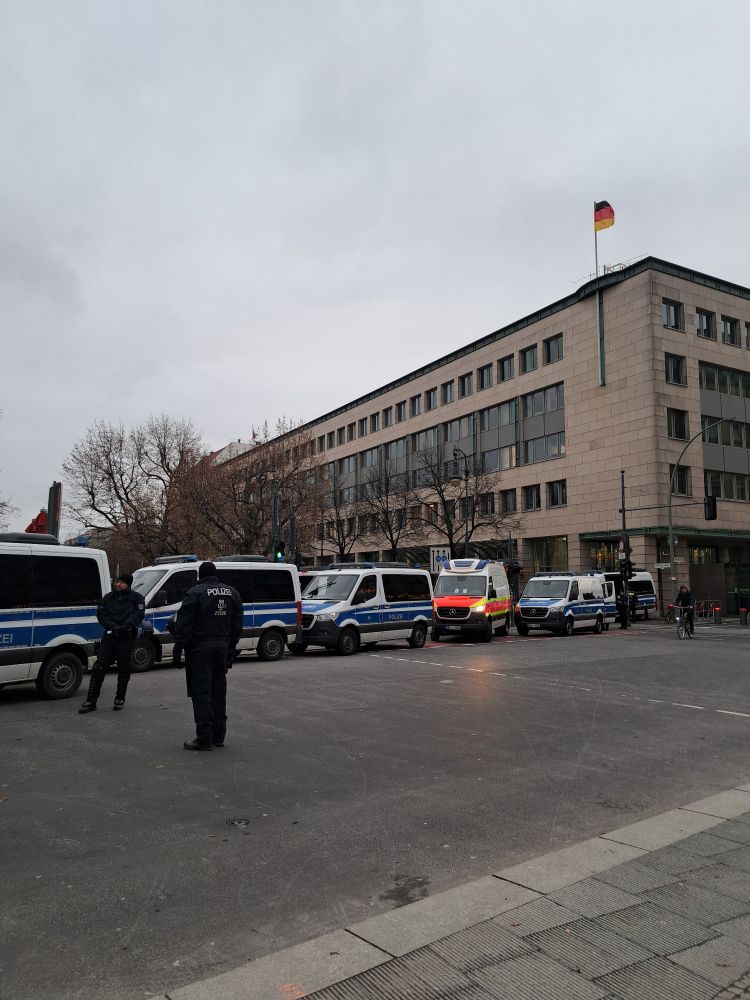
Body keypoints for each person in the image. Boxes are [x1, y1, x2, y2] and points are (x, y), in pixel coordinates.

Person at [174, 561, 243, 751]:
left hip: (200, 649)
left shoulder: (195, 593)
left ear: (200, 575)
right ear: (215, 574)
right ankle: (218, 736)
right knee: (218, 692)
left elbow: (183, 625)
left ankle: (204, 737)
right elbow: (237, 625)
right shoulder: (232, 593)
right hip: (222, 646)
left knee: (201, 692)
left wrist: (178, 649)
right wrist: (230, 648)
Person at [79, 573, 145, 713]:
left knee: (124, 668)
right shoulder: (108, 597)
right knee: (99, 667)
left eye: (121, 582)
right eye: (117, 582)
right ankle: (91, 700)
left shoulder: (137, 598)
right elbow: (101, 615)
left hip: (126, 637)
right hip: (110, 636)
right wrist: (113, 627)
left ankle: (119, 698)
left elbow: (138, 615)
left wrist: (125, 626)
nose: (118, 584)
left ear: (128, 584)